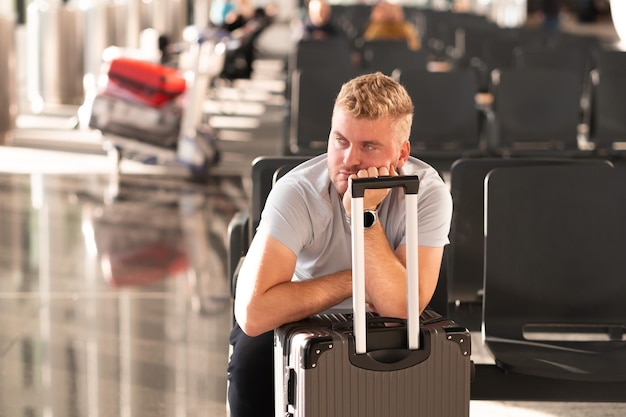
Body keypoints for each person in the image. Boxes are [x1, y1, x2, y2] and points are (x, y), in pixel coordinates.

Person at [227, 72, 453, 417]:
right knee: (250, 368)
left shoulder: (427, 193)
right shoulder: (297, 192)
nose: (349, 160)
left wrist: (365, 216)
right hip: (299, 313)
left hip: (382, 321)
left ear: (402, 152)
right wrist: (358, 280)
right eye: (340, 141)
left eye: (369, 146)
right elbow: (255, 313)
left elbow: (402, 307)